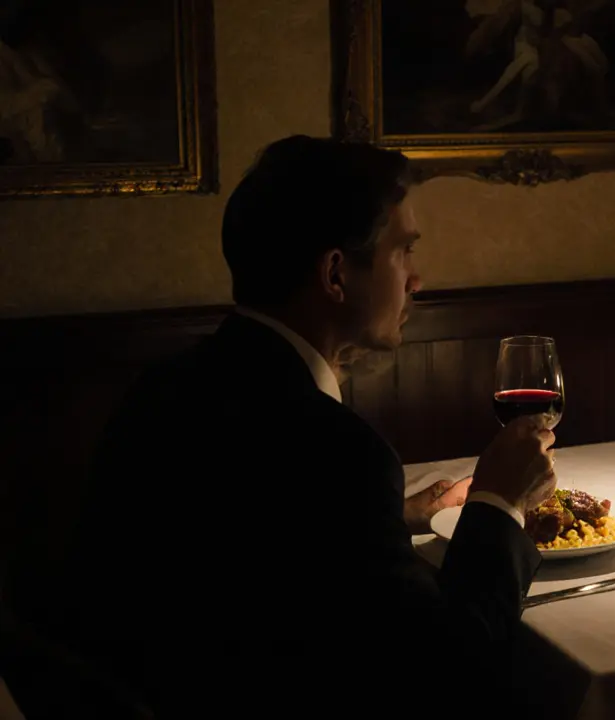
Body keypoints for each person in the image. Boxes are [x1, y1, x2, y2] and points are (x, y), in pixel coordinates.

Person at [46, 135, 556, 716]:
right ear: (336, 274)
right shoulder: (336, 452)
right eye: (403, 251)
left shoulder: (166, 387)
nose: (416, 280)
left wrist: (391, 515)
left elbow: (265, 538)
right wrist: (499, 500)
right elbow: (452, 669)